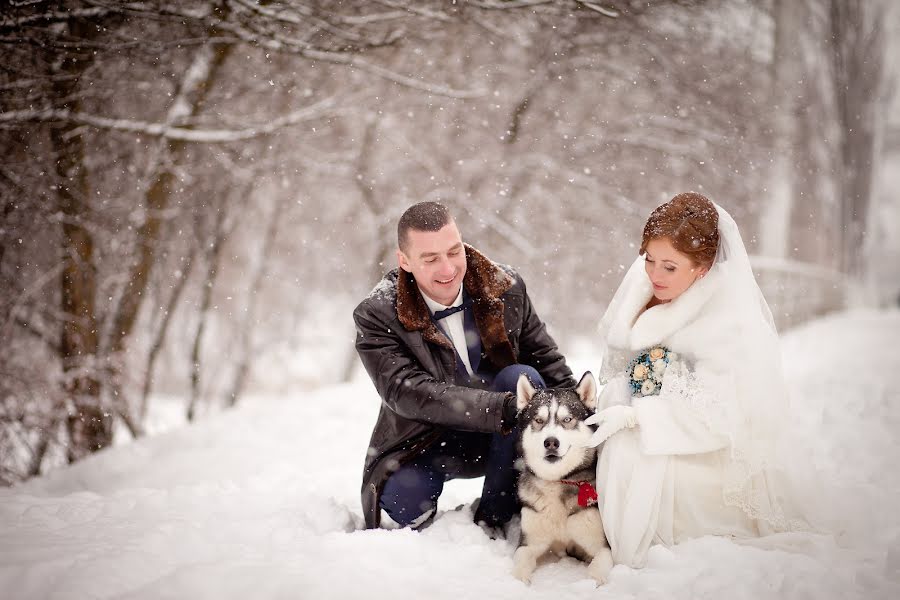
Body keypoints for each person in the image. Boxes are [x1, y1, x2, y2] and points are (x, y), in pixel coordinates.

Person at [584, 192, 807, 568]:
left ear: (702, 269)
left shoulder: (729, 321)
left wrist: (640, 417)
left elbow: (723, 417)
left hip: (709, 450)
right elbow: (623, 362)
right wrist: (625, 396)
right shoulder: (645, 285)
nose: (654, 274)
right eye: (649, 260)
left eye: (669, 267)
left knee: (627, 457)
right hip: (655, 418)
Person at [353, 201, 576, 532]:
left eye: (454, 252)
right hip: (425, 438)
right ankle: (429, 525)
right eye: (430, 259)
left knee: (522, 377)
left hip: (504, 434)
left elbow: (546, 359)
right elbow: (406, 391)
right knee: (405, 501)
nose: (448, 269)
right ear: (405, 261)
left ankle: (496, 517)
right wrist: (500, 407)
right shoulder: (377, 313)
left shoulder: (505, 287)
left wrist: (584, 415)